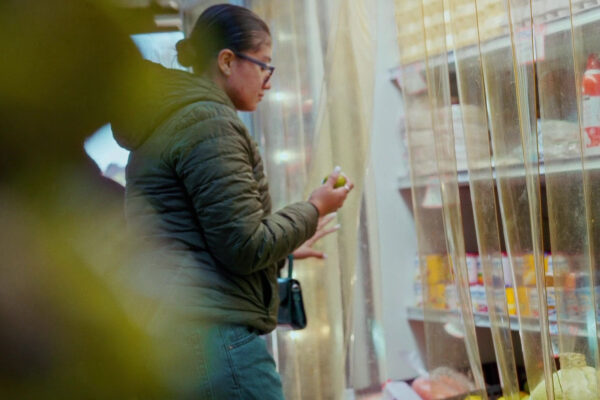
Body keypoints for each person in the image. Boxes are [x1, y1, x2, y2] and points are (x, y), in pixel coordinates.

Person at [111, 3, 354, 399]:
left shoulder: (169, 119)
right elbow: (243, 245)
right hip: (214, 340)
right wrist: (315, 208)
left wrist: (288, 243)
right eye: (264, 65)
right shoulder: (209, 122)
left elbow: (204, 237)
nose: (269, 80)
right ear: (227, 60)